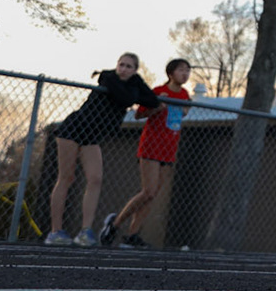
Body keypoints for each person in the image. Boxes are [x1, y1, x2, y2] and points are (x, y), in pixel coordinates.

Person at [47, 53, 160, 247]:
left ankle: (85, 231)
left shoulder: (133, 83)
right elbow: (125, 99)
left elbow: (152, 101)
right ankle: (55, 231)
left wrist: (136, 87)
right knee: (66, 177)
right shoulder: (108, 77)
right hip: (73, 129)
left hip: (92, 136)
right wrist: (135, 93)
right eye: (121, 65)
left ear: (135, 70)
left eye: (129, 67)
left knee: (95, 179)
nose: (123, 69)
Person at [102, 57, 191, 248]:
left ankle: (132, 234)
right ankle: (115, 224)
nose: (185, 74)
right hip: (151, 145)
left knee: (153, 195)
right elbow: (139, 113)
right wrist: (156, 108)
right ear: (171, 73)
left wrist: (185, 109)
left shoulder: (185, 94)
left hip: (169, 148)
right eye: (181, 70)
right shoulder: (159, 92)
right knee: (148, 191)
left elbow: (183, 112)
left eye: (187, 71)